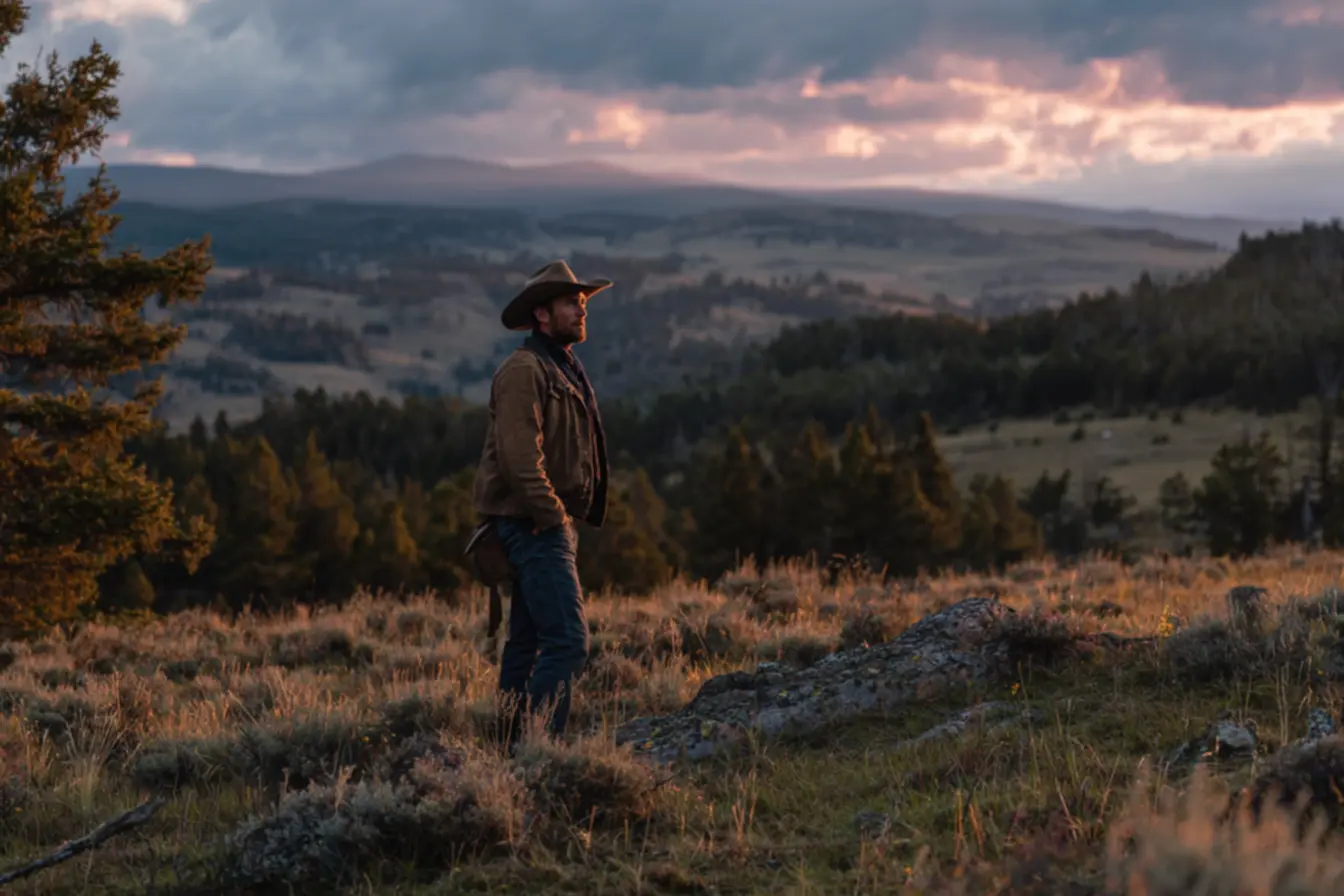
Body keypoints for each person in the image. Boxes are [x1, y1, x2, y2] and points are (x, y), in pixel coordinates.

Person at [472, 260, 612, 750]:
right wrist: (553, 518)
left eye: (583, 302)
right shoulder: (524, 370)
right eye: (572, 302)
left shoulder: (558, 366)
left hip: (536, 522)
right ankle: (539, 753)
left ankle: (511, 751)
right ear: (542, 314)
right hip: (532, 525)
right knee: (568, 643)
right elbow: (518, 458)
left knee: (527, 646)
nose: (582, 309)